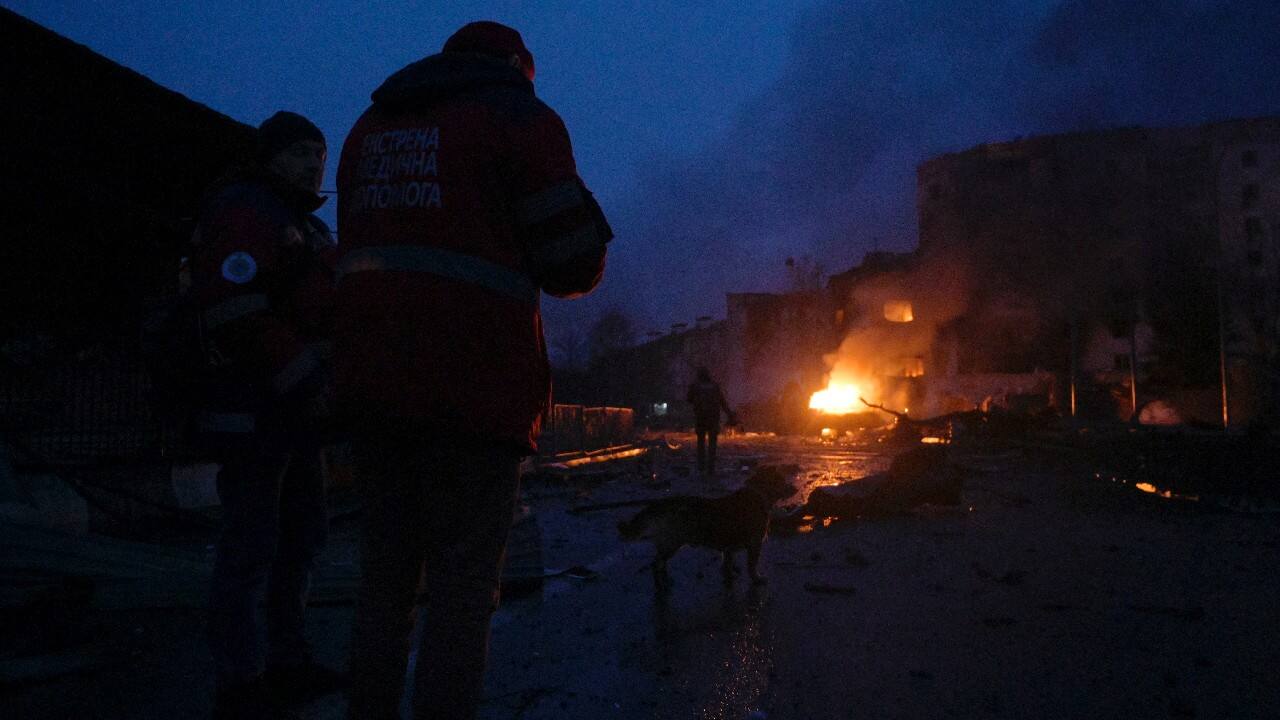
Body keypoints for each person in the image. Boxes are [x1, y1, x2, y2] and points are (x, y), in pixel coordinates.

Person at [332, 21, 610, 720]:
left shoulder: (369, 127)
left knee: (385, 582)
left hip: (369, 388)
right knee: (460, 587)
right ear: (519, 66)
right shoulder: (520, 117)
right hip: (473, 389)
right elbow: (573, 261)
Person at [191, 111, 344, 719]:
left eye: (320, 154)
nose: (314, 164)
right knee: (252, 546)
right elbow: (234, 309)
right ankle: (241, 681)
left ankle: (287, 661)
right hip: (252, 412)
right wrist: (304, 376)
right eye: (302, 153)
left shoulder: (302, 225)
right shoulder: (246, 213)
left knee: (302, 538)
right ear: (272, 157)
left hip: (296, 416)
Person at [687, 366, 734, 476]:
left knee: (701, 443)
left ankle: (701, 467)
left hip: (701, 418)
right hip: (713, 418)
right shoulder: (715, 386)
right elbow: (722, 402)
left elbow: (689, 399)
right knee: (712, 444)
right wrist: (729, 414)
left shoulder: (695, 386)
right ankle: (711, 468)